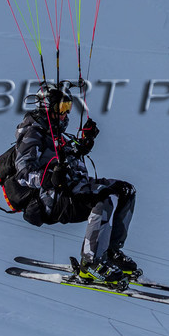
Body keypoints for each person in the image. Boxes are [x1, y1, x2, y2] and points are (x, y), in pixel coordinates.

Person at [13, 81, 140, 284]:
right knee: (105, 198)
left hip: (73, 188)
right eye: (60, 108)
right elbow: (23, 173)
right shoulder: (33, 133)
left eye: (68, 108)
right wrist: (49, 178)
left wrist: (84, 143)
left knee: (126, 191)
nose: (65, 114)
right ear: (46, 107)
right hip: (52, 199)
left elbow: (66, 154)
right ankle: (90, 264)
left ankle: (110, 253)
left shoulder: (56, 134)